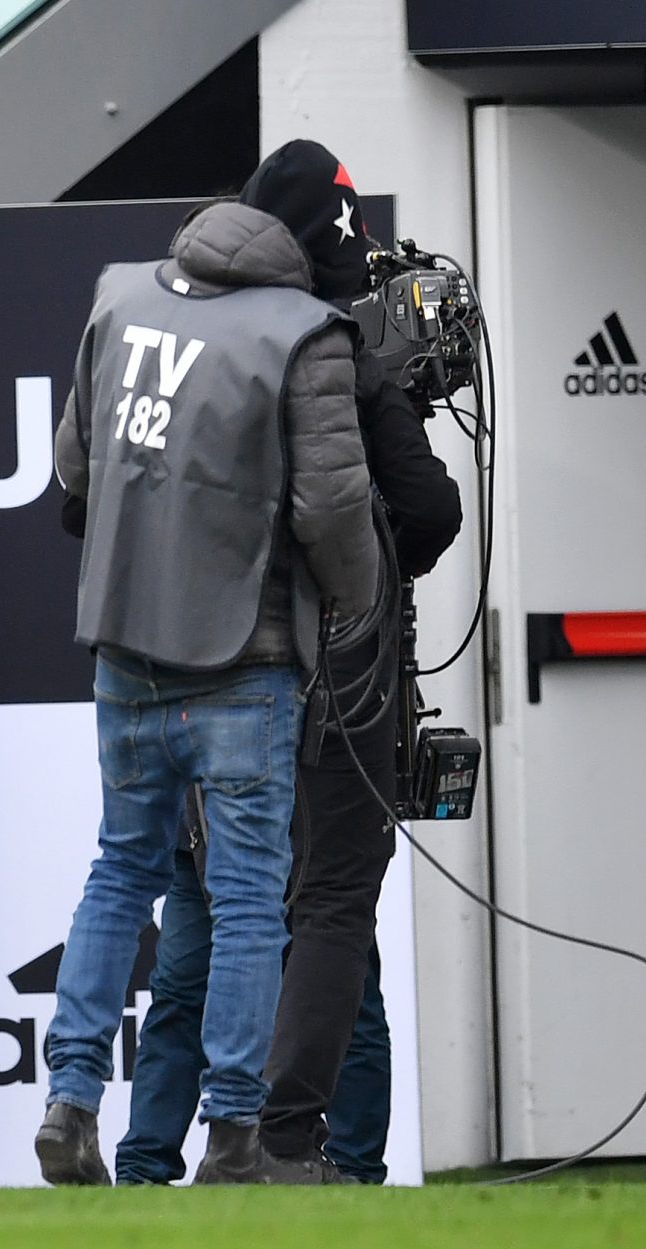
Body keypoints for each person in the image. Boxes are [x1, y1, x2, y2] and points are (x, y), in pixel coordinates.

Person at [112, 146, 464, 1187]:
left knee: (218, 911)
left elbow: (90, 495)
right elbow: (424, 509)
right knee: (332, 905)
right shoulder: (332, 349)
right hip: (328, 677)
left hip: (188, 665)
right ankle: (281, 1143)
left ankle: (157, 1156)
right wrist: (357, 592)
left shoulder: (158, 330)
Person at [37, 165, 380, 1186]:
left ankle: (68, 1102)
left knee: (118, 874)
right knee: (246, 902)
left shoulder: (118, 294)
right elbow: (333, 509)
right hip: (247, 660)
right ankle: (233, 1134)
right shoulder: (306, 334)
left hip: (123, 648)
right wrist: (356, 601)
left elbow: (74, 469)